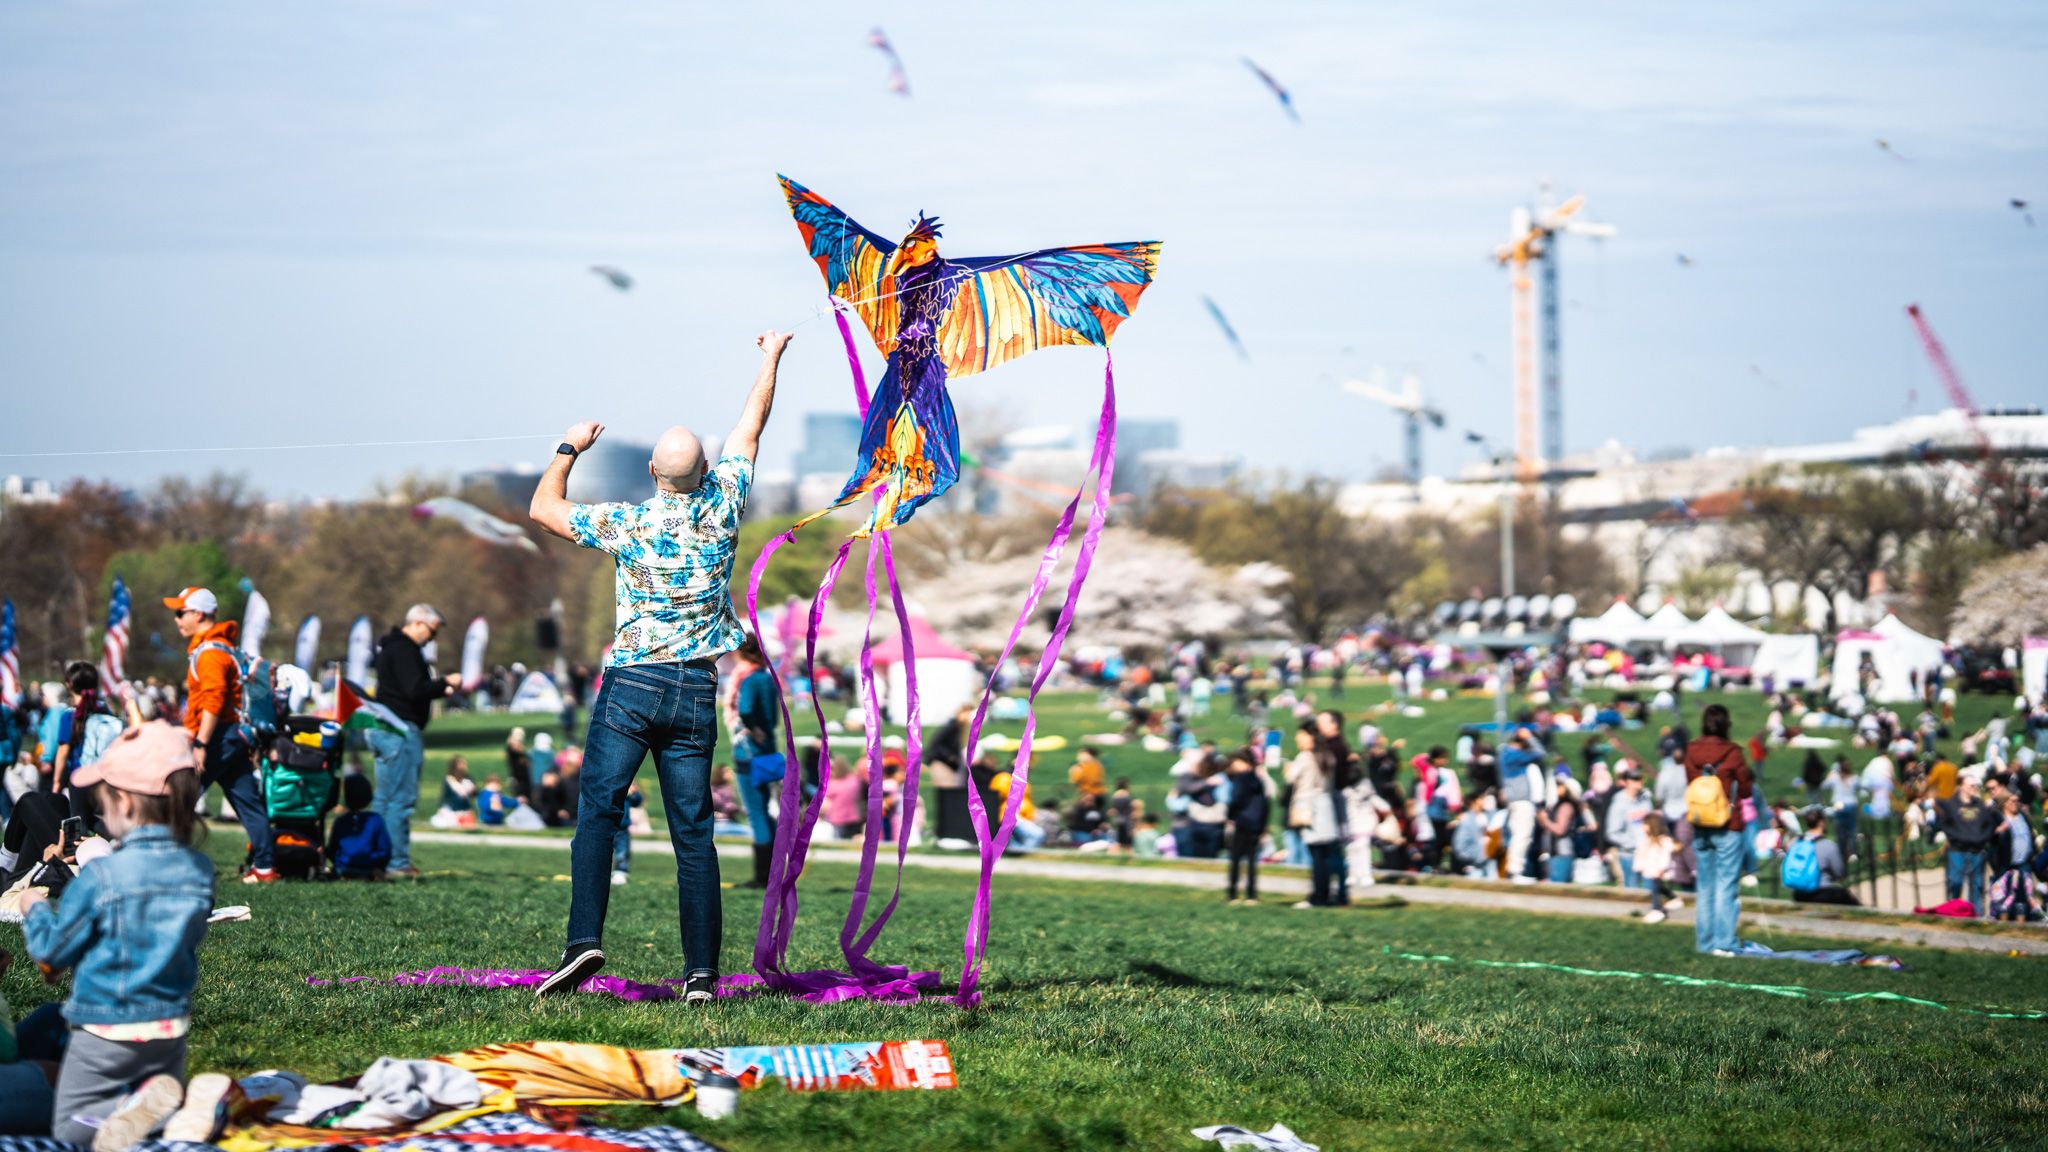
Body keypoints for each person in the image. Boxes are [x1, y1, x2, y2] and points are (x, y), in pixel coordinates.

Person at [527, 329, 787, 1002]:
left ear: (653, 474)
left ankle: (584, 942)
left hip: (634, 683)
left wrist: (568, 448)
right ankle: (701, 974)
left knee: (598, 809)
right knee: (693, 834)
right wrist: (770, 357)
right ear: (703, 473)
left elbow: (543, 510)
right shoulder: (726, 504)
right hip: (696, 688)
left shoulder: (632, 523)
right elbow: (749, 429)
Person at [18, 722, 214, 1149]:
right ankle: (166, 1112)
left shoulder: (103, 877)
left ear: (124, 801)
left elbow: (51, 949)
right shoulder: (199, 872)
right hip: (169, 1026)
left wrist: (33, 908)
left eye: (103, 804)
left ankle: (154, 1112)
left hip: (105, 1028)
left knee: (71, 1128)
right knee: (139, 1116)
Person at [164, 586, 274, 885]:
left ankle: (165, 862)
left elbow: (214, 700)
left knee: (180, 796)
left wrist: (200, 742)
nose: (177, 620)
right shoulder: (221, 648)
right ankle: (265, 867)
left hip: (218, 737)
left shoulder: (211, 652)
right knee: (246, 800)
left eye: (180, 613)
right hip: (234, 736)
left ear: (198, 614)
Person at [367, 604, 462, 881]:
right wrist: (446, 681)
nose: (432, 638)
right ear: (419, 622)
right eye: (432, 632)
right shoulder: (406, 649)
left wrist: (437, 689)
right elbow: (414, 689)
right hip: (400, 729)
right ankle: (397, 861)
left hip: (383, 727)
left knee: (383, 799)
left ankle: (376, 857)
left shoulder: (390, 648)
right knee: (401, 799)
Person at [1683, 703, 1754, 955]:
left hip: (1700, 822)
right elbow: (1745, 790)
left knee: (1705, 886)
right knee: (1726, 886)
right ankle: (1724, 943)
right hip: (1728, 824)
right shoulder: (1733, 752)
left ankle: (1705, 942)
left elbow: (1691, 783)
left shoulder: (1691, 750)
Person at [730, 640, 781, 888]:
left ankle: (762, 877)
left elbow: (746, 709)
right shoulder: (769, 679)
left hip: (750, 753)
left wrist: (751, 727)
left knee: (757, 813)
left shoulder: (750, 680)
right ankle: (772, 873)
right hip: (769, 750)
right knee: (767, 811)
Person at [1286, 722, 1343, 908]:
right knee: (1325, 855)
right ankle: (1326, 893)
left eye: (1300, 735)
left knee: (1316, 855)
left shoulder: (1305, 757)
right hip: (1326, 806)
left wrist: (1288, 766)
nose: (1297, 739)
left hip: (1309, 807)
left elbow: (1290, 778)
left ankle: (1319, 896)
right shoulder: (1326, 756)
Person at [1935, 775, 1999, 915]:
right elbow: (1945, 824)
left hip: (1977, 850)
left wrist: (1982, 839)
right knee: (1955, 882)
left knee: (1977, 886)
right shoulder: (1952, 804)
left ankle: (1976, 916)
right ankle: (1953, 911)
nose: (1974, 788)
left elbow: (1989, 825)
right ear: (1962, 786)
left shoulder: (1980, 805)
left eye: (1975, 786)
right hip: (1957, 850)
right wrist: (1958, 838)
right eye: (1971, 786)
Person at [1499, 731, 1545, 883]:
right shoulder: (1515, 754)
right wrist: (1530, 737)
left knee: (1517, 836)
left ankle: (1512, 870)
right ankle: (1515, 871)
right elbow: (1540, 752)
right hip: (1522, 801)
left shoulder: (1505, 753)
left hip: (1514, 801)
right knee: (1523, 836)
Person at [327, 774, 392, 881]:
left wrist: (339, 862)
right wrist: (380, 866)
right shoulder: (375, 819)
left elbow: (332, 849)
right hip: (369, 868)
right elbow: (385, 849)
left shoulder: (340, 821)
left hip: (343, 867)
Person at [1787, 809, 1856, 905]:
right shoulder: (1828, 845)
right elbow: (1839, 873)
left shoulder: (1794, 843)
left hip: (1799, 893)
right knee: (1850, 900)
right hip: (1823, 892)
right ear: (1821, 822)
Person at [1989, 794, 2036, 921]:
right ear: (2005, 803)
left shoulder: (2023, 817)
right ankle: (2002, 919)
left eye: (2017, 801)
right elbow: (1991, 839)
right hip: (2006, 863)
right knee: (2004, 893)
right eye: (2013, 801)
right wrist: (1998, 831)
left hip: (2024, 862)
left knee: (2023, 893)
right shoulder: (1999, 818)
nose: (2016, 803)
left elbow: (2031, 835)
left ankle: (2023, 920)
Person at [1603, 768, 1651, 888]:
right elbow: (1612, 832)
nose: (1638, 782)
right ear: (1625, 782)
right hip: (1630, 854)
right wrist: (1633, 844)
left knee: (1650, 890)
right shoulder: (1619, 804)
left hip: (1648, 853)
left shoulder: (1646, 800)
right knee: (1633, 889)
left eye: (1640, 779)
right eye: (1634, 779)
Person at [1634, 812, 1679, 923]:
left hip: (1658, 870)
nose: (1643, 827)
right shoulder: (1649, 840)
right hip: (1651, 870)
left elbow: (1665, 857)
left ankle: (1656, 909)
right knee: (1656, 888)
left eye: (1645, 824)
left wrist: (1661, 868)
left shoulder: (1663, 841)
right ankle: (1673, 898)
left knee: (1655, 889)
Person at [1539, 775, 1582, 883]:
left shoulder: (1566, 806)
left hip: (1562, 854)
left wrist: (1545, 820)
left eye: (1559, 785)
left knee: (1558, 888)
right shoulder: (1557, 806)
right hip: (1555, 853)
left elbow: (1560, 830)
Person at [504, 728, 532, 804]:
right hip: (518, 779)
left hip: (525, 779)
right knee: (520, 799)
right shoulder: (511, 750)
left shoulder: (521, 751)